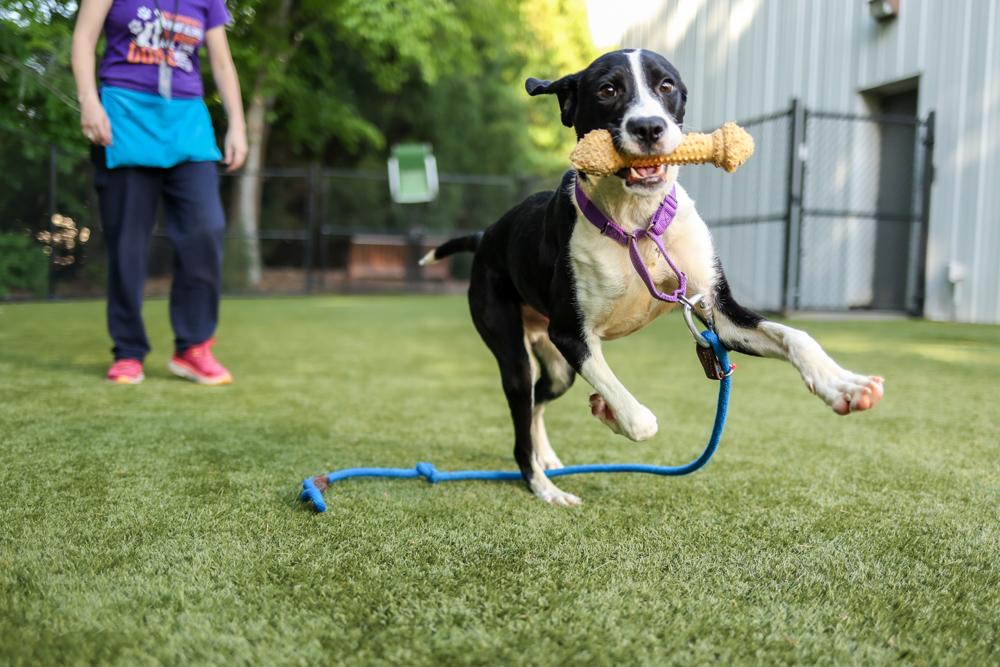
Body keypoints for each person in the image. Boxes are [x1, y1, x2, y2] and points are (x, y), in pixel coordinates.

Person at [71, 0, 247, 385]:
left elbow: (221, 62)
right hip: (124, 119)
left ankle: (193, 347)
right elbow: (84, 38)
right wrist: (89, 101)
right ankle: (129, 351)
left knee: (206, 229)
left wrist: (237, 124)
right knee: (127, 243)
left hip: (187, 123)